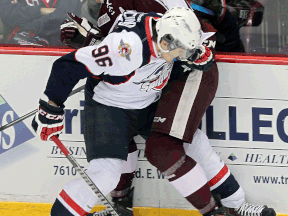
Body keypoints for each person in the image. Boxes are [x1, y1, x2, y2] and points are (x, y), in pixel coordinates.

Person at [59, 1, 275, 216]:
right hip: (153, 76)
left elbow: (202, 34)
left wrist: (203, 51)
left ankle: (234, 204)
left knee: (170, 143)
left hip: (189, 72)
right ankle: (121, 203)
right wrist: (86, 39)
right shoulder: (107, 6)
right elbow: (116, 47)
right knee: (119, 133)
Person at [32, 7, 220, 216]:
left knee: (192, 140)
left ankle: (228, 205)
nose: (183, 56)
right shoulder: (125, 49)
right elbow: (67, 66)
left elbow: (180, 47)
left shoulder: (165, 27)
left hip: (147, 103)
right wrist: (51, 107)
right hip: (110, 108)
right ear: (165, 42)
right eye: (182, 51)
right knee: (105, 175)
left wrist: (197, 54)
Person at [0, 0, 85, 46]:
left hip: (56, 45)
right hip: (16, 44)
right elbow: (6, 12)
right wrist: (42, 10)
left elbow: (65, 15)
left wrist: (27, 21)